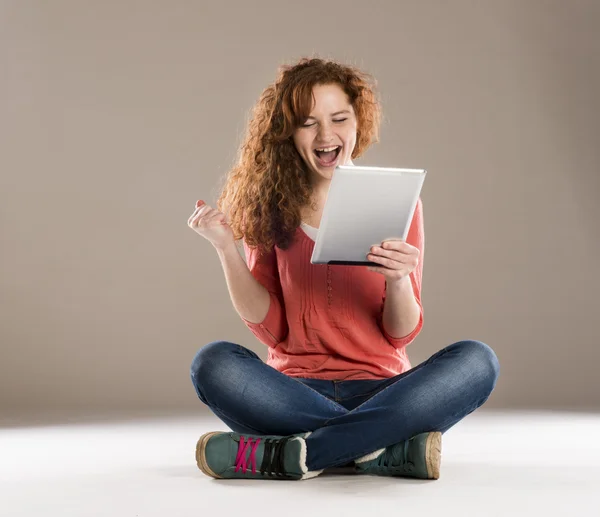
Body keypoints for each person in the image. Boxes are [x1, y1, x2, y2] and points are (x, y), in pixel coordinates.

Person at [187, 57, 499, 481]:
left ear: (358, 123)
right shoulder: (269, 206)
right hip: (292, 393)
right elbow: (274, 331)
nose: (326, 135)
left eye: (339, 118)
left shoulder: (395, 200)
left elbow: (400, 333)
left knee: (478, 361)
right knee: (213, 363)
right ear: (287, 132)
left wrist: (399, 278)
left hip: (385, 391)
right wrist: (227, 250)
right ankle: (379, 450)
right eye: (307, 122)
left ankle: (297, 453)